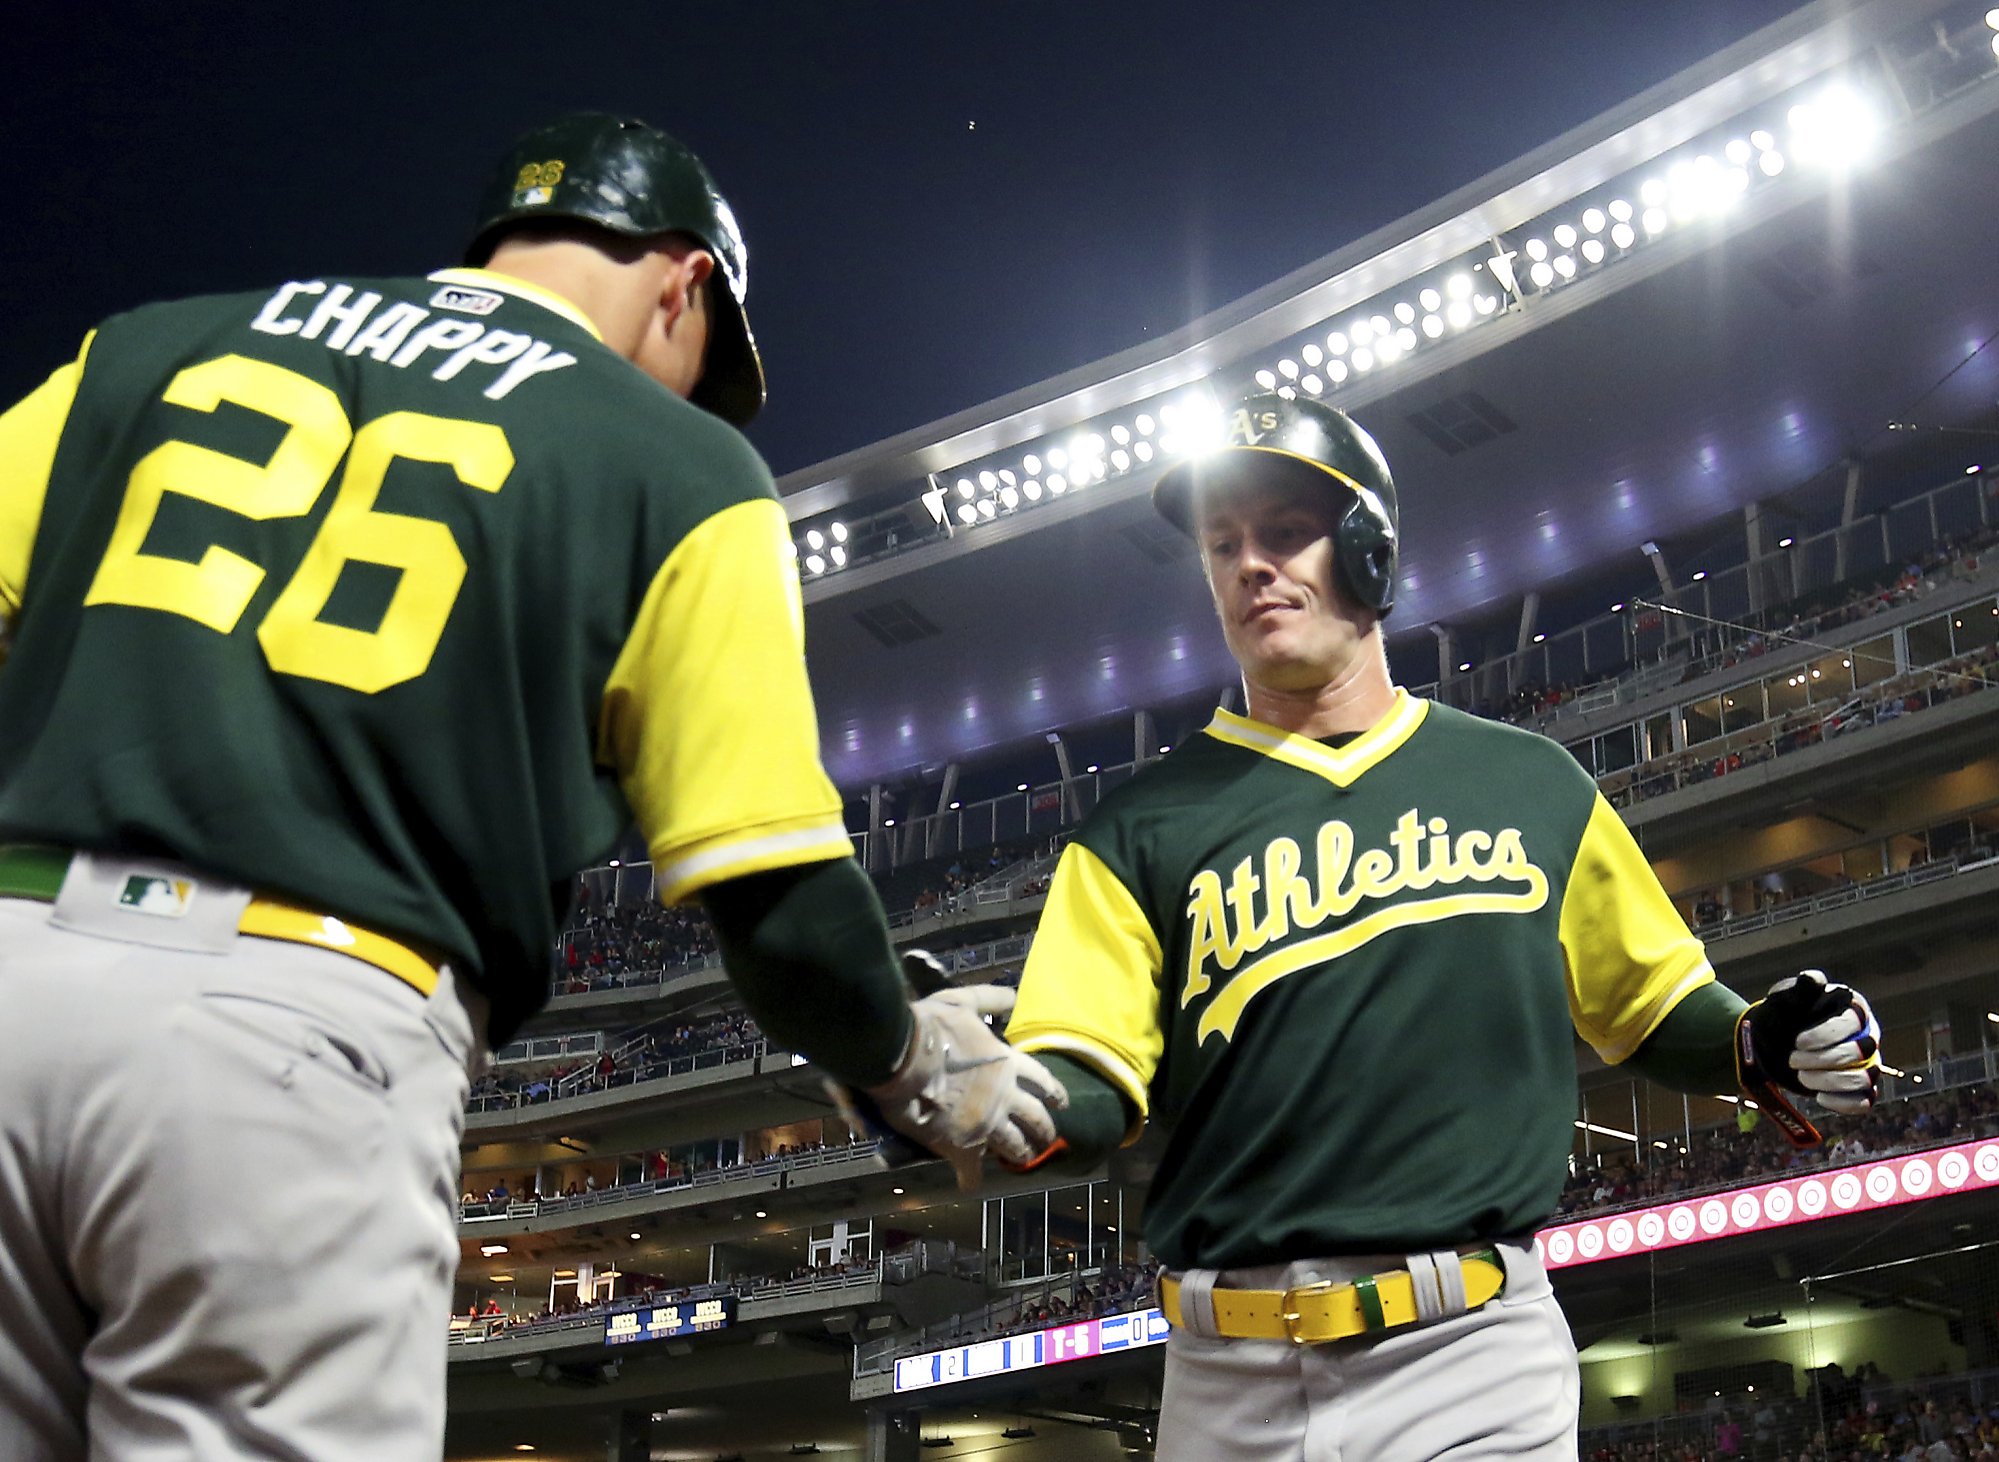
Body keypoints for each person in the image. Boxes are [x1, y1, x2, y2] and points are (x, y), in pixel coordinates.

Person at [0, 112, 1059, 1461]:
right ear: (684, 283)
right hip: (293, 1027)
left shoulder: (149, 347)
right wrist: (903, 1054)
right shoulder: (674, 463)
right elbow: (773, 888)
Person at [1003, 392, 1881, 1461]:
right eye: (1222, 544)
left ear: (1370, 548)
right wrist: (979, 1096)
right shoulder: (1132, 829)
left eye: (1284, 532)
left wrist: (1751, 1041)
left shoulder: (1527, 785)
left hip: (1466, 1354)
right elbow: (1085, 1075)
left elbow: (1651, 1003)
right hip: (1219, 1378)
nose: (1249, 566)